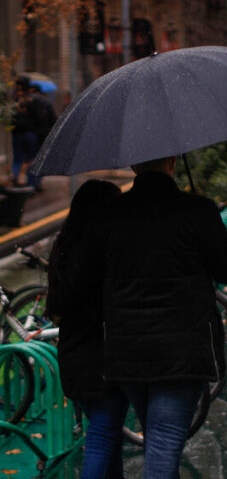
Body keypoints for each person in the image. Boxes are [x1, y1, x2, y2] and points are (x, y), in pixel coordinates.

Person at [85, 156, 227, 477]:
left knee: (157, 438)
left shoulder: (107, 214)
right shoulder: (197, 210)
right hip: (182, 349)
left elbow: (91, 277)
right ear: (172, 161)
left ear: (133, 166)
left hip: (126, 349)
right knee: (164, 443)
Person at [47, 180, 127, 478]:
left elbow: (58, 305)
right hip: (105, 358)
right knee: (102, 439)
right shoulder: (103, 252)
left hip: (73, 357)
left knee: (109, 439)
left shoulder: (64, 247)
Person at [10, 77, 41, 190]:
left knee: (18, 159)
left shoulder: (14, 99)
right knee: (32, 159)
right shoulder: (32, 99)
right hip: (30, 133)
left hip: (17, 133)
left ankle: (15, 178)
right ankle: (32, 183)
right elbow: (39, 117)